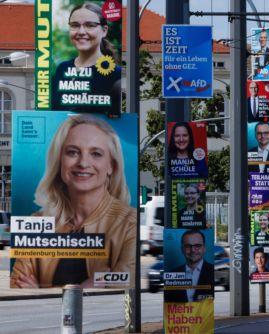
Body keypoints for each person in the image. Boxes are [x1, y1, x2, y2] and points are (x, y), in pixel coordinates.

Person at [10, 114, 135, 288]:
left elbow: (122, 284)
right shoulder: (36, 223)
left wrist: (40, 292)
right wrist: (85, 287)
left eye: (96, 154)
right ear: (59, 161)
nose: (83, 163)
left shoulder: (130, 223)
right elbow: (18, 286)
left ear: (111, 166)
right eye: (73, 152)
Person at [51, 2, 121, 117]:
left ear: (104, 31)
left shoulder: (115, 75)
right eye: (75, 25)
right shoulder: (62, 69)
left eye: (90, 25)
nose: (81, 32)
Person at [165, 230, 214, 302]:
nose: (193, 250)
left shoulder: (212, 272)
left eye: (197, 246)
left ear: (204, 248)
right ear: (182, 249)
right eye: (188, 246)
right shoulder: (172, 274)